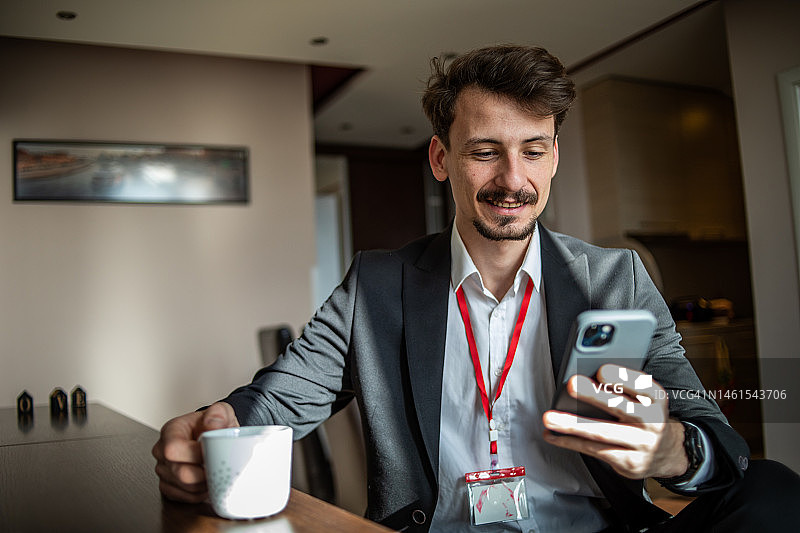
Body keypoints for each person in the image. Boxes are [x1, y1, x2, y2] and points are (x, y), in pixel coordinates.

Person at [153, 44, 800, 532]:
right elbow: (281, 397)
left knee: (774, 489)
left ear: (554, 154)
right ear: (442, 158)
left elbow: (721, 445)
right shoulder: (378, 284)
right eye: (485, 150)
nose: (513, 179)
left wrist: (668, 448)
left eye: (534, 149)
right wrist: (220, 424)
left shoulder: (617, 279)